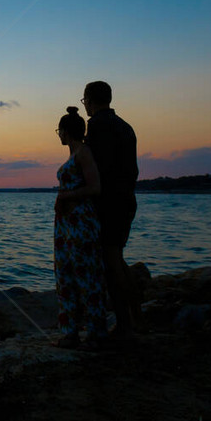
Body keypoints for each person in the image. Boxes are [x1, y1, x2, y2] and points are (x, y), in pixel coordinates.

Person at [82, 81, 141, 337]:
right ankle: (136, 319)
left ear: (89, 100)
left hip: (109, 203)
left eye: (85, 101)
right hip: (126, 200)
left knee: (111, 262)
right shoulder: (125, 127)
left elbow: (95, 168)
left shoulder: (96, 125)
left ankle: (125, 326)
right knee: (117, 258)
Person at [53, 106, 107, 349]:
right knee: (65, 276)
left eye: (59, 131)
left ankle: (96, 333)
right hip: (66, 225)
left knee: (86, 276)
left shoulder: (84, 153)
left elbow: (96, 187)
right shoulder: (73, 155)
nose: (59, 135)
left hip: (80, 223)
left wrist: (67, 196)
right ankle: (70, 332)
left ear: (66, 131)